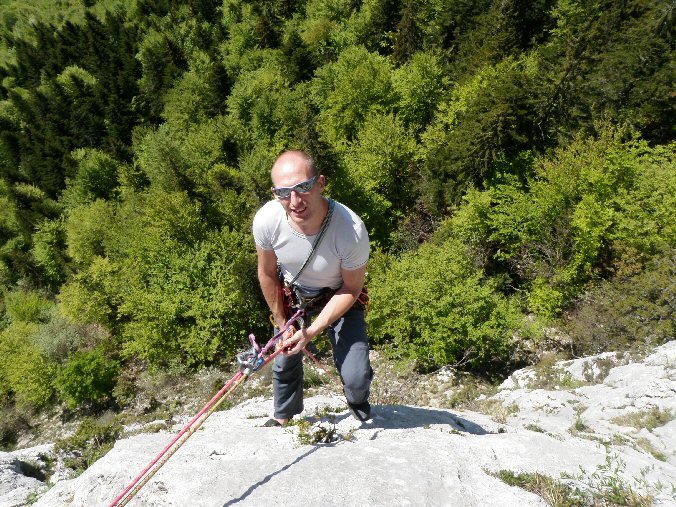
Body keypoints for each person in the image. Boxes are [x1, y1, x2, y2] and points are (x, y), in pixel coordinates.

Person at [252, 150, 373, 426]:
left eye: (303, 188)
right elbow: (267, 272)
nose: (294, 201)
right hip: (295, 297)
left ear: (320, 184)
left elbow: (352, 288)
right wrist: (284, 324)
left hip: (339, 294)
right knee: (284, 357)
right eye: (284, 193)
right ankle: (284, 414)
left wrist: (311, 331)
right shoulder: (267, 221)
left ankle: (357, 399)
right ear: (274, 193)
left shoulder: (350, 230)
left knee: (356, 377)